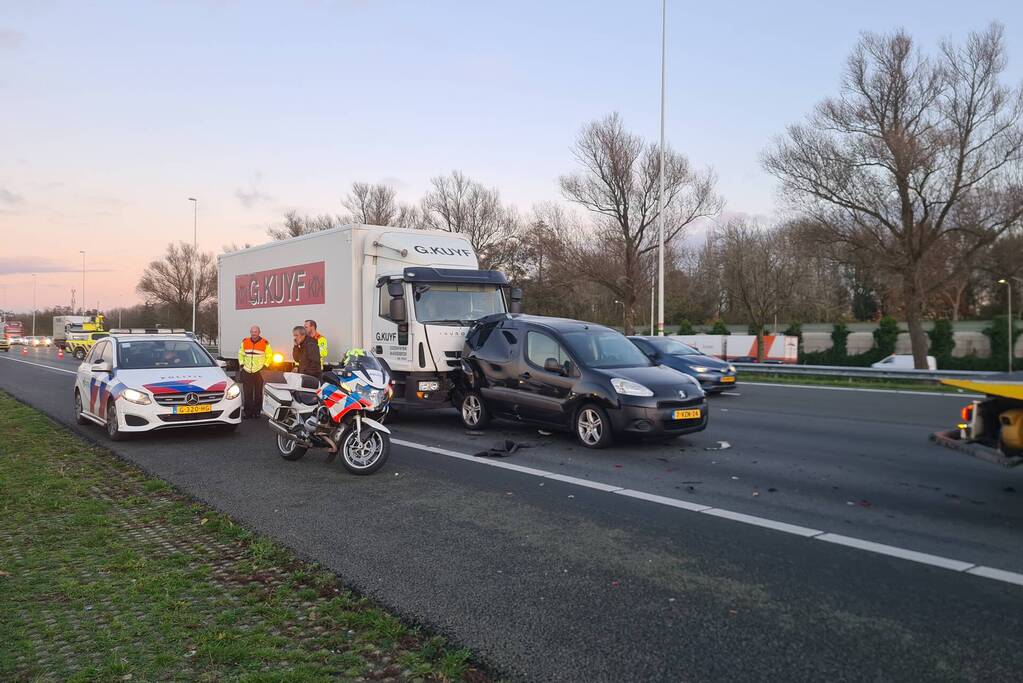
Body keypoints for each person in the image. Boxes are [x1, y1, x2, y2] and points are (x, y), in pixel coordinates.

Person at [238, 325, 272, 418]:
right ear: (250, 332)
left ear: (259, 332)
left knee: (258, 393)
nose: (254, 333)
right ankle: (248, 413)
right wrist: (242, 364)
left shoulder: (265, 342)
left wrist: (265, 366)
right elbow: (241, 354)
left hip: (259, 370)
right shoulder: (245, 341)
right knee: (247, 393)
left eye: (255, 332)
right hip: (247, 370)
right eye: (252, 332)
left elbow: (269, 355)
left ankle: (257, 412)